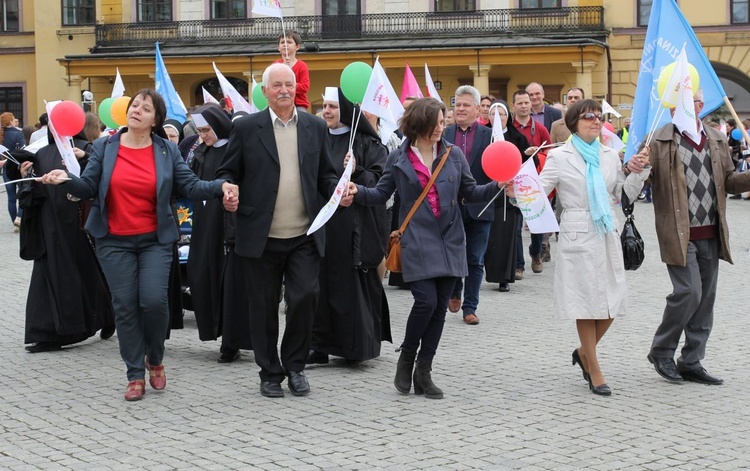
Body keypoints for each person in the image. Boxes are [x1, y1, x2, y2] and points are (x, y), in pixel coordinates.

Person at [38, 89, 239, 401]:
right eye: (134, 105)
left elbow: (190, 184)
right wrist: (64, 179)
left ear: (155, 119)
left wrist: (220, 186)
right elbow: (89, 186)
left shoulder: (165, 151)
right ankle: (134, 374)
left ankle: (154, 358)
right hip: (113, 241)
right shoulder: (106, 146)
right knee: (126, 306)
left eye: (145, 108)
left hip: (154, 240)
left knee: (153, 302)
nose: (136, 111)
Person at [346, 98, 502, 399]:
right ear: (419, 124)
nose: (441, 128)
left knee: (440, 309)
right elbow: (381, 192)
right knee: (426, 302)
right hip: (416, 238)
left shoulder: (453, 155)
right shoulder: (399, 158)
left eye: (443, 122)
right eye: (437, 122)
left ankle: (424, 370)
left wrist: (497, 185)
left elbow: (470, 192)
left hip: (450, 238)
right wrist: (357, 191)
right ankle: (407, 358)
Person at [216, 63, 350, 399]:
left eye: (288, 84)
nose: (284, 91)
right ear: (265, 91)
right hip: (260, 235)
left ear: (297, 87)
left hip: (304, 234)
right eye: (276, 85)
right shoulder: (247, 127)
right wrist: (228, 189)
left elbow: (325, 175)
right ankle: (269, 372)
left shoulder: (314, 126)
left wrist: (340, 190)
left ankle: (295, 366)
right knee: (262, 307)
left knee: (305, 297)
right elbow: (227, 171)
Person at [509, 99, 649, 396]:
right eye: (589, 116)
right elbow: (537, 192)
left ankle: (584, 352)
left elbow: (624, 194)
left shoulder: (610, 155)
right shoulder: (560, 157)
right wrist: (514, 188)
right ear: (573, 122)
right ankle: (594, 369)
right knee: (585, 304)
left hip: (606, 230)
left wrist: (639, 171)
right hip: (576, 231)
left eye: (599, 116)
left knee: (613, 300)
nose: (596, 121)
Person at [644, 89, 750, 386]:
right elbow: (641, 179)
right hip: (677, 231)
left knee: (706, 299)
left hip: (711, 231)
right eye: (685, 101)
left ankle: (691, 360)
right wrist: (637, 166)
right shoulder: (658, 139)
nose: (692, 105)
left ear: (701, 106)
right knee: (689, 292)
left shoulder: (716, 138)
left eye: (695, 101)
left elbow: (728, 182)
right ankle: (661, 350)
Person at [308, 87, 391, 364]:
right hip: (322, 226)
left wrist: (357, 170)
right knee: (319, 285)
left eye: (332, 106)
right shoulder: (316, 139)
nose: (326, 111)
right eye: (324, 106)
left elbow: (380, 185)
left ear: (345, 110)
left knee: (349, 287)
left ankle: (355, 348)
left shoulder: (368, 145)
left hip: (355, 228)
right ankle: (318, 346)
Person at [14, 130, 116, 353]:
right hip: (48, 225)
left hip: (78, 224)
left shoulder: (86, 148)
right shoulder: (41, 153)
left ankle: (106, 314)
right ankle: (48, 333)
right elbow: (33, 191)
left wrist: (85, 159)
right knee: (49, 274)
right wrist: (27, 175)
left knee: (85, 272)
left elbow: (100, 181)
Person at [443, 85, 493, 325]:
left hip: (481, 205)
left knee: (475, 258)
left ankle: (470, 307)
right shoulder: (444, 134)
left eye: (465, 105)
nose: (460, 109)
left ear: (477, 109)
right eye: (457, 105)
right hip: (451, 206)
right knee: (453, 254)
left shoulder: (490, 135)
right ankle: (454, 291)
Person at [187, 105, 233, 352]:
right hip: (204, 222)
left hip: (226, 223)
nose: (202, 136)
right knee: (201, 272)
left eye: (205, 130)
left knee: (227, 279)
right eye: (199, 130)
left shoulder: (234, 149)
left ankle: (231, 338)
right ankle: (213, 330)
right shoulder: (201, 152)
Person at [484, 100, 530, 293]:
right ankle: (486, 273)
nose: (497, 118)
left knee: (508, 236)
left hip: (510, 196)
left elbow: (527, 164)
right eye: (493, 113)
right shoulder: (483, 136)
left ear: (508, 117)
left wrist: (528, 155)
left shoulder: (517, 137)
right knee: (489, 237)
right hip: (487, 194)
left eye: (501, 114)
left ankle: (504, 278)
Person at [512, 90, 551, 276]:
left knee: (537, 223)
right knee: (516, 224)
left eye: (526, 102)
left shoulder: (540, 128)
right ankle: (519, 264)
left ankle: (535, 253)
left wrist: (538, 153)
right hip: (513, 181)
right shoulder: (509, 127)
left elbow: (549, 152)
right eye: (520, 103)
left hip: (534, 181)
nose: (524, 106)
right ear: (514, 106)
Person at [274, 30, 310, 113]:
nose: (285, 45)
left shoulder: (302, 66)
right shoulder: (275, 64)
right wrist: (283, 68)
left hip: (298, 105)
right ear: (278, 47)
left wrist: (289, 86)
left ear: (297, 46)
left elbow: (305, 87)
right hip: (279, 103)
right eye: (282, 42)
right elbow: (272, 83)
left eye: (289, 42)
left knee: (302, 121)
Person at [1, 112, 25, 231]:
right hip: (18, 167)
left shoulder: (2, 135)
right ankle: (19, 218)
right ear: (11, 121)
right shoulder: (18, 133)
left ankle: (14, 220)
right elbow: (23, 149)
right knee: (22, 192)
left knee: (11, 197)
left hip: (6, 168)